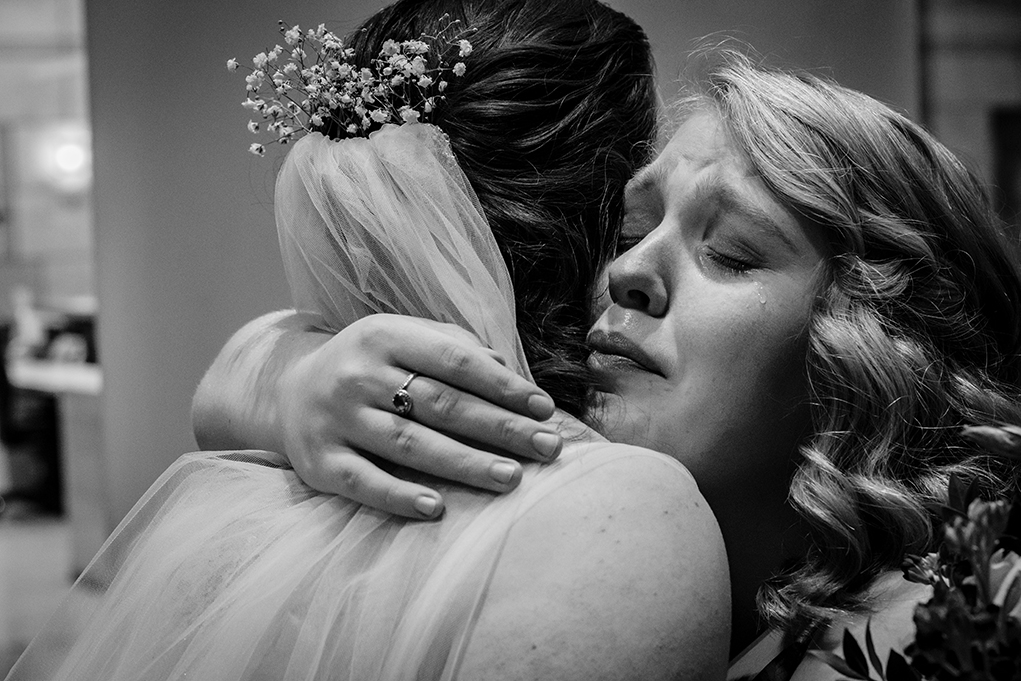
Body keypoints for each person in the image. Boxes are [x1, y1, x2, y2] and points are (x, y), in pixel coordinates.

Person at [192, 51, 1021, 677]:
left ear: (877, 342)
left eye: (730, 253)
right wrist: (292, 380)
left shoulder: (921, 634)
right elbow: (228, 389)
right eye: (627, 235)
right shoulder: (572, 514)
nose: (623, 273)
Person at [5, 2, 731, 680]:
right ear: (590, 224)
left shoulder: (262, 468)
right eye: (636, 225)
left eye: (725, 252)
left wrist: (275, 370)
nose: (641, 268)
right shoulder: (622, 516)